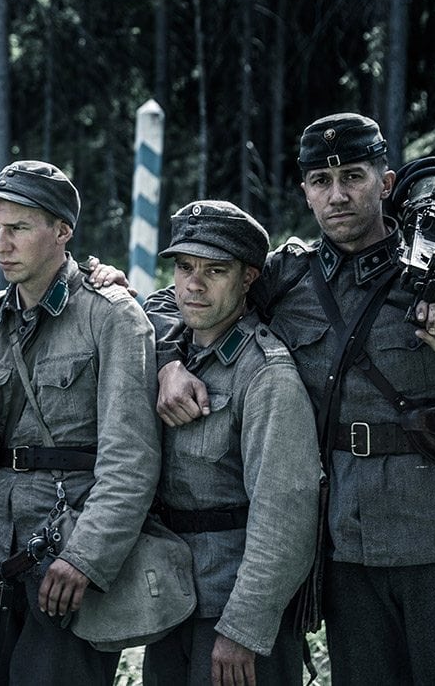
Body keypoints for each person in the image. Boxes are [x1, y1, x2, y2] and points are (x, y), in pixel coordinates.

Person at [147, 113, 435, 684]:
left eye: (353, 177)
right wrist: (169, 361)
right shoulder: (288, 277)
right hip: (346, 550)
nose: (338, 195)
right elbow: (175, 299)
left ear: (385, 183)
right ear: (306, 191)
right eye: (322, 182)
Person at [0, 160, 161, 686]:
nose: (2, 244)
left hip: (67, 559)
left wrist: (86, 557)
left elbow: (131, 459)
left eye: (18, 228)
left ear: (62, 231)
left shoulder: (111, 316)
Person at [142, 200, 320, 686]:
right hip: (172, 600)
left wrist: (244, 628)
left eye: (215, 270)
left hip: (231, 611)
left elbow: (286, 516)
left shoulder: (266, 374)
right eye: (184, 267)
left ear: (247, 279)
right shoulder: (175, 353)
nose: (194, 284)